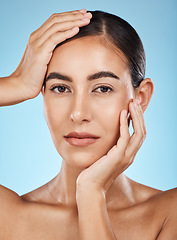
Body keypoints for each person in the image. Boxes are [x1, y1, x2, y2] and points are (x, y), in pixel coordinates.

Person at [0, 9, 177, 240]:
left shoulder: (169, 214)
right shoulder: (8, 215)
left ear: (140, 98)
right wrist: (15, 84)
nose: (78, 113)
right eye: (60, 88)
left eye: (102, 88)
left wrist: (92, 193)